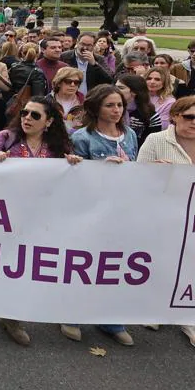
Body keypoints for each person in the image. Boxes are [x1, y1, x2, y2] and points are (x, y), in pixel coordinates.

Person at [0, 96, 82, 347]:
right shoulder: (6, 138)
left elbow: (70, 181)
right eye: (25, 113)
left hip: (39, 219)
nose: (27, 118)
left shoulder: (59, 147)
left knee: (22, 269)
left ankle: (12, 319)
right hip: (3, 215)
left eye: (35, 115)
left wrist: (73, 165)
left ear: (49, 122)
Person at [65, 84, 137, 346]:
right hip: (90, 210)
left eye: (119, 105)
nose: (116, 110)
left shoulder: (129, 135)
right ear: (96, 108)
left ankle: (110, 319)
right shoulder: (82, 138)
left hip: (120, 210)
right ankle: (71, 314)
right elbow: (76, 178)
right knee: (83, 263)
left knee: (113, 264)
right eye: (110, 105)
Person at [136, 95, 195, 348]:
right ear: (175, 116)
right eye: (190, 117)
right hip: (164, 213)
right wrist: (154, 172)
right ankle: (157, 308)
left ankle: (188, 317)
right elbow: (136, 177)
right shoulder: (157, 140)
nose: (194, 122)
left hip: (192, 214)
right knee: (164, 260)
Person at [115, 74, 162, 149]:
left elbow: (153, 143)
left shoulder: (151, 115)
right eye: (115, 87)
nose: (115, 91)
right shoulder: (111, 111)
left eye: (121, 88)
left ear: (134, 91)